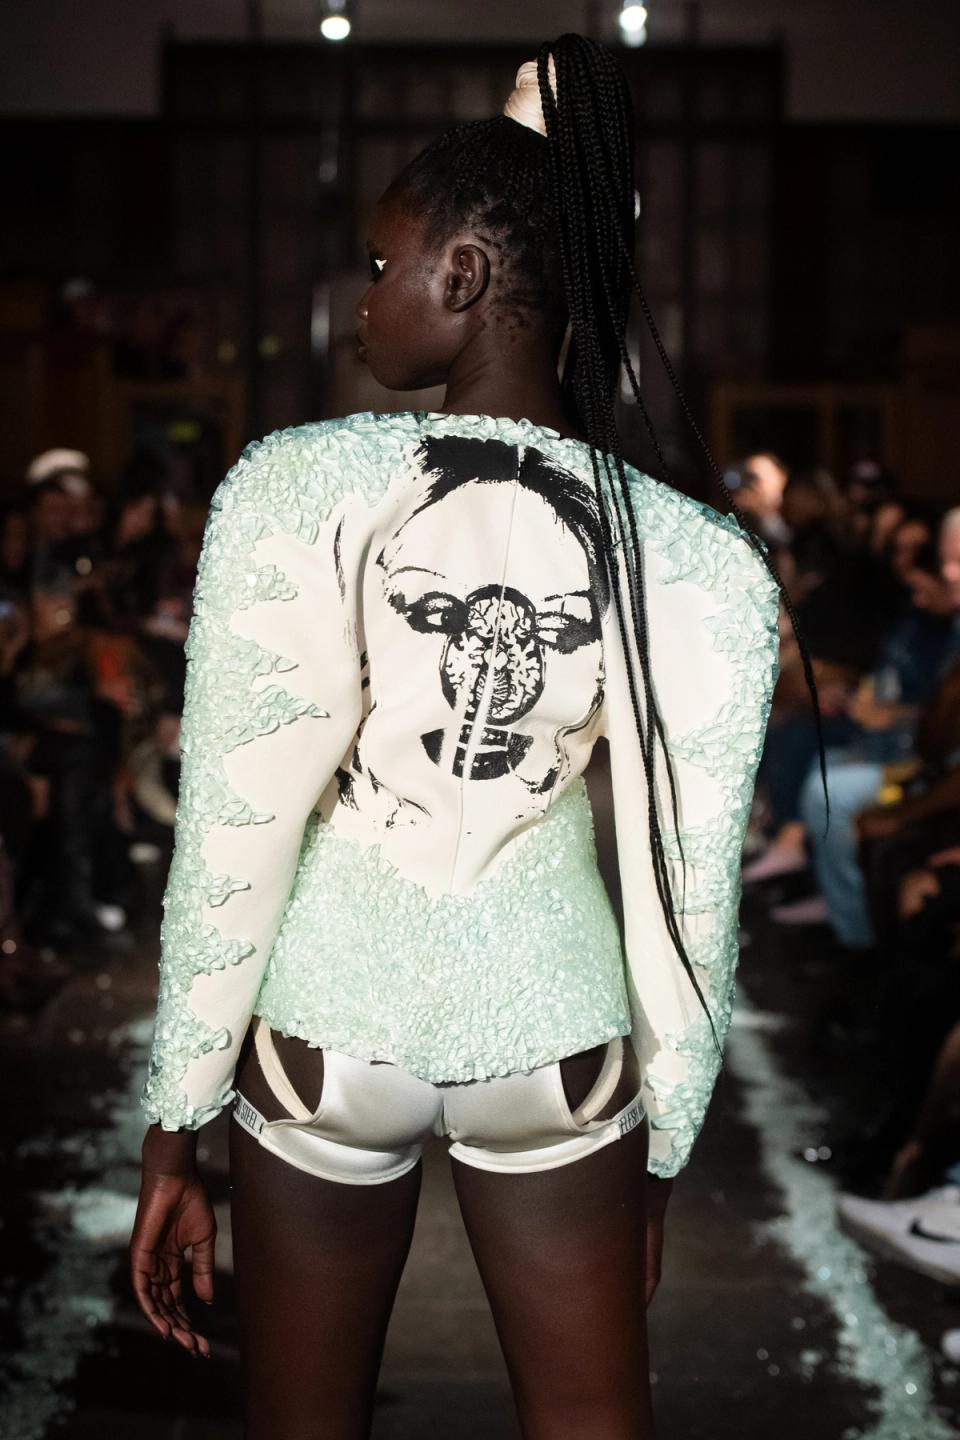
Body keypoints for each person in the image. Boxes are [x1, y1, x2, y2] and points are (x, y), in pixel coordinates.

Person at [129, 36, 818, 1438]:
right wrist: (664, 1146)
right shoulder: (688, 552)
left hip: (329, 1025)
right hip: (555, 1037)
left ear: (464, 276)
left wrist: (173, 1126)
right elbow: (688, 886)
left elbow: (238, 829)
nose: (360, 300)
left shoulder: (299, 490)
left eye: (381, 264)